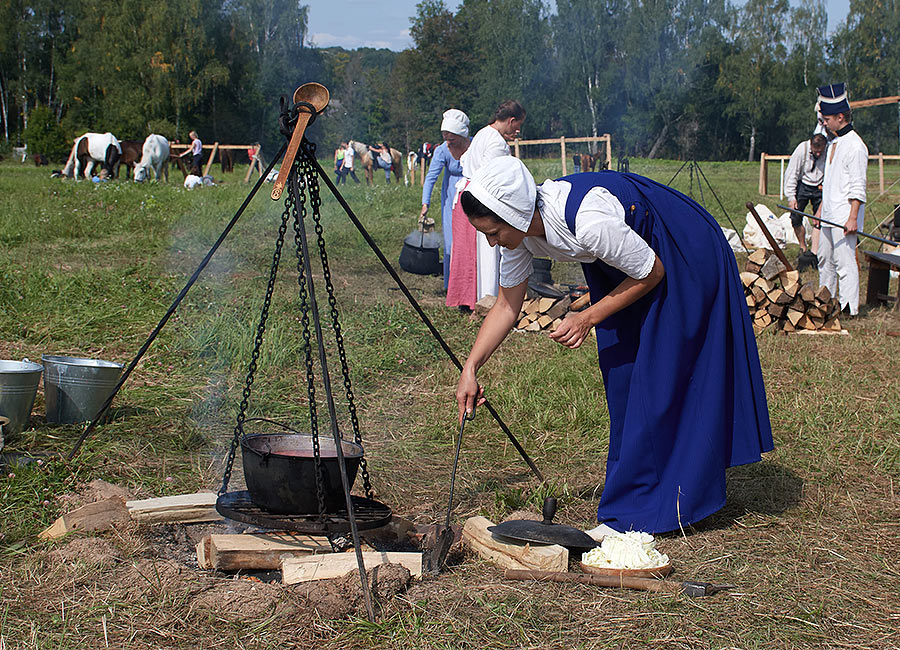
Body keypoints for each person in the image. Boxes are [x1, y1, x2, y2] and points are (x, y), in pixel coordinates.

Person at [455, 156, 773, 535]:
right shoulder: (519, 236)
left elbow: (653, 270)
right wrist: (471, 367)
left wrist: (587, 317)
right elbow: (507, 306)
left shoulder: (588, 221)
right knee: (623, 377)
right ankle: (642, 495)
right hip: (631, 264)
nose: (492, 242)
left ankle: (651, 510)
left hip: (681, 250)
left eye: (493, 233)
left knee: (660, 376)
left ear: (515, 215)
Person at [459, 100, 526, 304]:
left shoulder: (482, 133)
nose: (517, 132)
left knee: (484, 251)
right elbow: (495, 177)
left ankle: (486, 296)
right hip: (485, 197)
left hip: (472, 191)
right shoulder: (496, 142)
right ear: (511, 120)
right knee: (491, 250)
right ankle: (490, 299)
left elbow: (464, 160)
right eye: (517, 127)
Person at [814, 82, 868, 317]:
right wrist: (819, 212)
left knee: (845, 262)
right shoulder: (834, 142)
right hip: (828, 213)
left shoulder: (856, 146)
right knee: (824, 258)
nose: (824, 122)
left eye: (827, 118)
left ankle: (849, 308)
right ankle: (825, 302)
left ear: (840, 116)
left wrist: (853, 217)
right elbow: (830, 184)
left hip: (845, 215)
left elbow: (858, 187)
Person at [421, 109, 471, 292]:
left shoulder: (474, 146)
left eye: (452, 139)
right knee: (451, 243)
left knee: (472, 242)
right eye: (446, 138)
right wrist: (425, 203)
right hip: (451, 199)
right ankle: (452, 286)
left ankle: (472, 284)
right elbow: (431, 177)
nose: (449, 142)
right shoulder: (442, 151)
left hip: (473, 197)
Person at [784, 133, 826, 266]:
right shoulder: (802, 149)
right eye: (815, 151)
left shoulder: (829, 150)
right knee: (795, 218)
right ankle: (803, 247)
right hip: (803, 184)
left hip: (821, 185)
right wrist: (791, 197)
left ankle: (814, 253)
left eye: (821, 151)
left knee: (819, 220)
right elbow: (792, 173)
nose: (818, 154)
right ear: (811, 146)